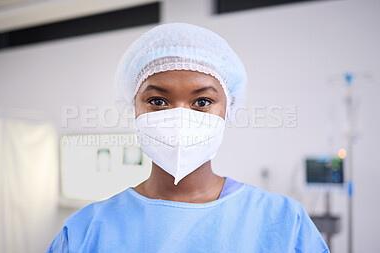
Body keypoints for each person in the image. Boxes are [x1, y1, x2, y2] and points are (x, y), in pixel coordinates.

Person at [47, 23, 329, 253]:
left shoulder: (283, 221)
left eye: (203, 101)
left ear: (228, 109)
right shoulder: (86, 231)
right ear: (133, 108)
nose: (179, 117)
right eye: (157, 101)